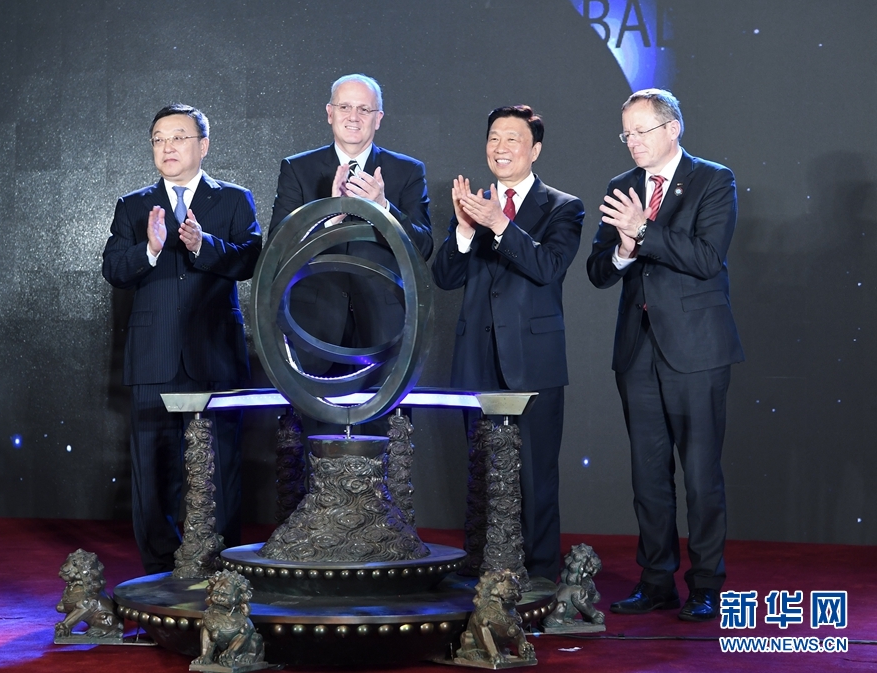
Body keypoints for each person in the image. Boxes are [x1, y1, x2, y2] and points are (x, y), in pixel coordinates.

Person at [586, 89, 744, 621]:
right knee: (648, 475)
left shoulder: (712, 180)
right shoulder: (621, 186)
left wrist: (644, 231)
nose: (632, 142)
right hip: (638, 351)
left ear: (672, 128)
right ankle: (655, 580)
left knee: (700, 474)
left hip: (697, 350)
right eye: (626, 133)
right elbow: (598, 272)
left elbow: (707, 257)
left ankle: (706, 585)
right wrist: (622, 250)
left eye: (642, 131)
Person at [102, 104, 262, 574]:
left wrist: (201, 245)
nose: (167, 147)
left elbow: (250, 260)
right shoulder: (133, 205)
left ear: (203, 145)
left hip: (215, 354)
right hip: (153, 356)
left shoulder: (234, 199)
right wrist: (150, 249)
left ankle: (222, 569)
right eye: (159, 139)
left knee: (220, 466)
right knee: (153, 470)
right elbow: (114, 269)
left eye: (178, 137)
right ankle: (159, 569)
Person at [432, 105, 584, 582]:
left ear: (534, 150)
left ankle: (539, 573)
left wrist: (500, 224)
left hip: (533, 361)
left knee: (535, 472)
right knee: (481, 469)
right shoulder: (475, 204)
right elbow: (445, 277)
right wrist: (463, 230)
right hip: (475, 359)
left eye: (512, 139)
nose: (500, 147)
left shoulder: (563, 207)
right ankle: (482, 567)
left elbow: (547, 268)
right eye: (494, 137)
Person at [268, 74, 432, 407]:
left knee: (386, 431)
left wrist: (384, 208)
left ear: (378, 118)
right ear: (330, 113)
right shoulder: (298, 169)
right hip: (314, 326)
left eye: (363, 109)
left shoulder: (407, 171)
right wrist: (330, 215)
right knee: (316, 430)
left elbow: (423, 248)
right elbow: (277, 249)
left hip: (384, 326)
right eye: (345, 107)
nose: (353, 116)